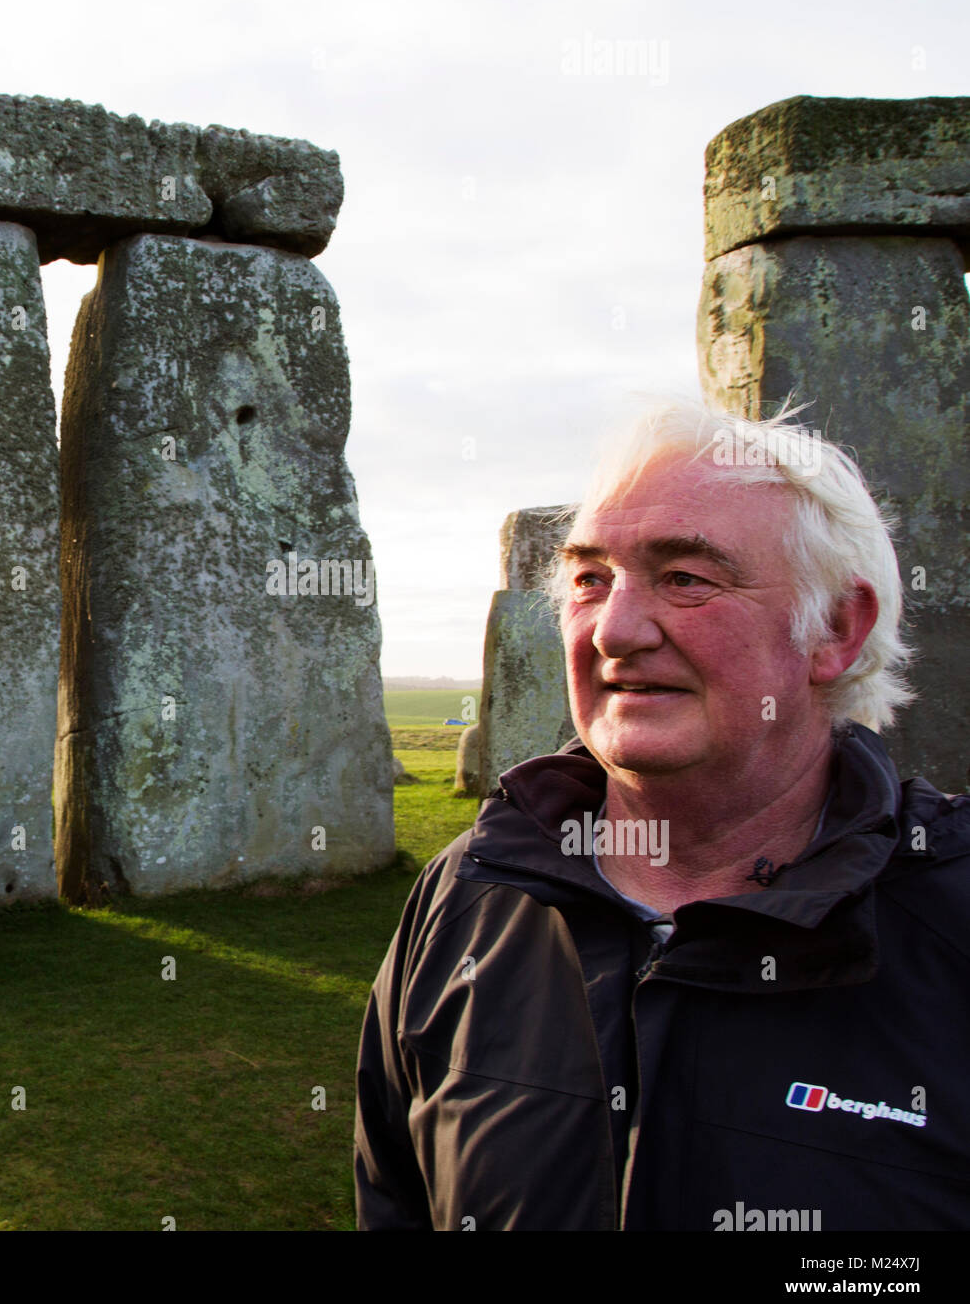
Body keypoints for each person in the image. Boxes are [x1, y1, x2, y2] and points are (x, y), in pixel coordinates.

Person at [353, 394, 970, 1231]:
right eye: (589, 579)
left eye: (685, 579)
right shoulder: (468, 894)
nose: (614, 630)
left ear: (835, 628)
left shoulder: (948, 925)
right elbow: (396, 1197)